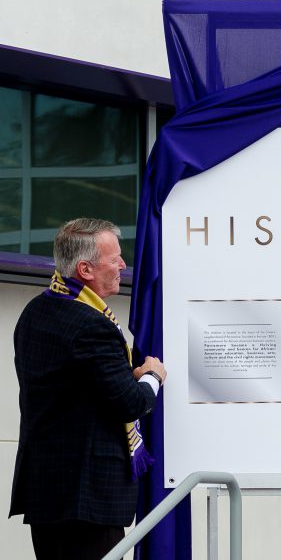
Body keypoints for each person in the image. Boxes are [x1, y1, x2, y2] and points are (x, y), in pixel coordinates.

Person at [10, 218, 167, 560]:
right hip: (89, 494)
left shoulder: (34, 312)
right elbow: (130, 403)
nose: (123, 265)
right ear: (85, 268)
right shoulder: (92, 325)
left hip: (46, 489)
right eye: (114, 259)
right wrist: (152, 376)